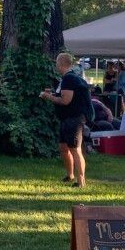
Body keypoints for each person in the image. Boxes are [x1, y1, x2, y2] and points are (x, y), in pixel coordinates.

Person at [40, 53, 92, 188]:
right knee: (63, 147)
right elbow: (63, 95)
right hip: (66, 118)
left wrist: (48, 97)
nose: (55, 65)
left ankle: (81, 181)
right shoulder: (65, 79)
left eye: (57, 62)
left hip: (74, 118)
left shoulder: (69, 79)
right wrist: (52, 94)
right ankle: (70, 175)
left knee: (75, 149)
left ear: (61, 63)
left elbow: (65, 100)